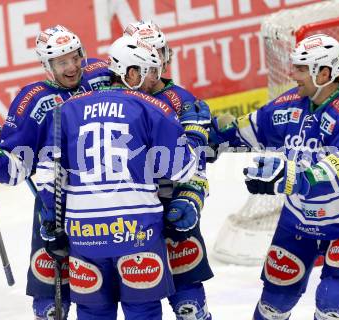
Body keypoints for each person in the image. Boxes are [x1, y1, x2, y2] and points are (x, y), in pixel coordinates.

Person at [35, 35, 211, 320]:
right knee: (142, 311)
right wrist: (195, 132)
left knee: (93, 313)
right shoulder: (152, 107)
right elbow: (181, 169)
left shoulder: (66, 110)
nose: (157, 79)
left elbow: (46, 175)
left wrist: (52, 220)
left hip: (84, 236)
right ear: (131, 73)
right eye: (151, 71)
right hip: (137, 232)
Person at [211, 33, 339, 320]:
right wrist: (206, 134)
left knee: (334, 303)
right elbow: (251, 129)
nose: (293, 74)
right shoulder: (291, 105)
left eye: (301, 68)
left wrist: (292, 177)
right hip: (299, 221)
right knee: (274, 302)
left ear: (324, 73)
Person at [0, 25, 111, 319]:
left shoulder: (102, 74)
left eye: (75, 57)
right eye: (61, 62)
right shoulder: (33, 100)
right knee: (50, 304)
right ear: (47, 66)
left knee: (101, 295)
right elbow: (16, 164)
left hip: (103, 200)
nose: (72, 67)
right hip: (53, 203)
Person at [123, 20, 213, 320]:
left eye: (160, 50)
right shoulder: (110, 94)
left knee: (189, 303)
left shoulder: (182, 100)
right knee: (139, 294)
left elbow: (197, 164)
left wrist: (191, 200)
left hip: (170, 202)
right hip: (128, 210)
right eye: (149, 51)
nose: (157, 59)